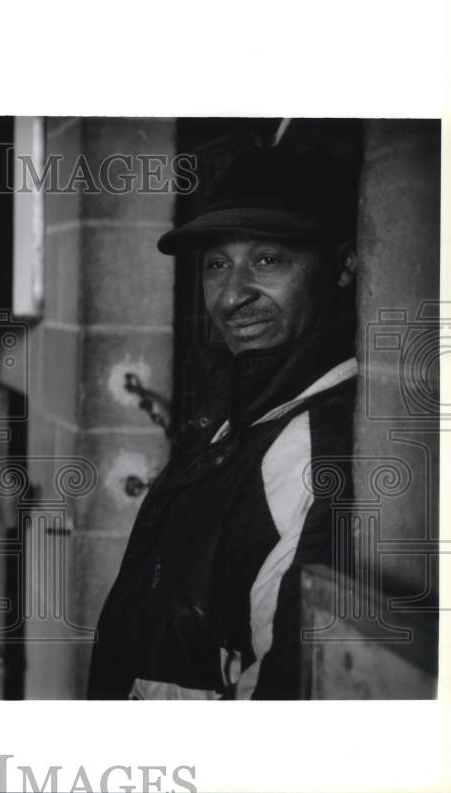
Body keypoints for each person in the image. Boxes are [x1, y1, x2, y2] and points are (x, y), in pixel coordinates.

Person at [87, 146, 359, 700]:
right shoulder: (241, 409)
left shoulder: (307, 452)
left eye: (267, 260)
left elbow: (283, 697)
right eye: (217, 263)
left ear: (345, 265)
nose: (232, 296)